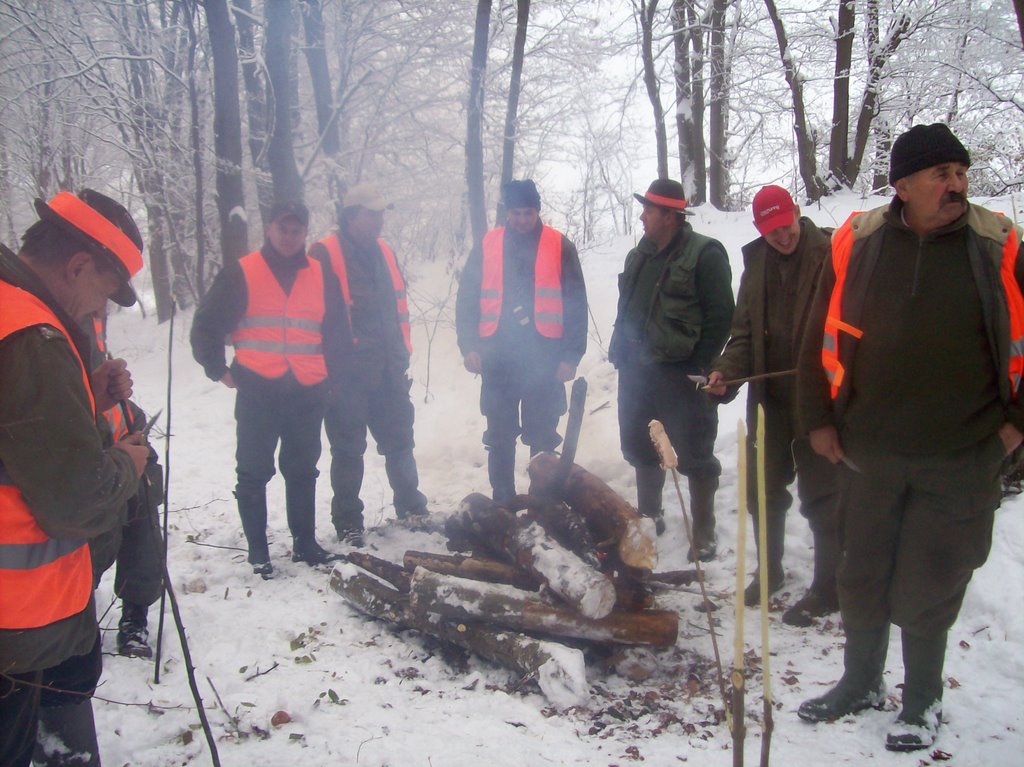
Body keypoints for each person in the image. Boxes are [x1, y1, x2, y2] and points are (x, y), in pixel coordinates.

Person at [795, 123, 1024, 751]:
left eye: (960, 173)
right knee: (861, 573)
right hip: (869, 448)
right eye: (940, 175)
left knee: (931, 579)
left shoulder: (998, 244)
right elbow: (819, 330)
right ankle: (860, 683)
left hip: (961, 453)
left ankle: (921, 702)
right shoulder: (859, 242)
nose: (955, 185)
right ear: (903, 186)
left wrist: (1013, 429)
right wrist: (817, 418)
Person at [0, 190, 149, 767]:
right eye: (104, 292)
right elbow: (74, 499)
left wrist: (84, 384)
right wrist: (128, 464)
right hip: (14, 626)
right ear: (78, 265)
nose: (98, 309)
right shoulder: (32, 338)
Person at [191, 200, 349, 577]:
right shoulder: (242, 273)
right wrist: (217, 369)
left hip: (307, 391)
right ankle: (259, 552)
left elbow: (338, 333)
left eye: (296, 230)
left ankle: (305, 544)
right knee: (253, 471)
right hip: (258, 390)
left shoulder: (320, 274)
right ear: (269, 229)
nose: (290, 237)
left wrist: (335, 380)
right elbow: (205, 325)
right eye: (283, 229)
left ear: (305, 232)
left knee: (302, 469)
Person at [706, 186, 839, 626]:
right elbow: (742, 332)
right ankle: (771, 570)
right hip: (771, 401)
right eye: (770, 231)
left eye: (785, 227)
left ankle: (827, 586)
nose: (781, 237)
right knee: (762, 490)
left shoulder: (835, 253)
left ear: (798, 214)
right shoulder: (757, 263)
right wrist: (726, 370)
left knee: (824, 493)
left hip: (821, 398)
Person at [609, 179, 734, 561]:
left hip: (679, 372)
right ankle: (651, 515)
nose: (643, 216)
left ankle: (705, 531)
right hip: (636, 371)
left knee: (695, 452)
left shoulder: (705, 254)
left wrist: (700, 363)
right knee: (639, 445)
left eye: (649, 210)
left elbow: (721, 316)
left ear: (669, 216)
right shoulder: (639, 255)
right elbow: (627, 309)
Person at [308, 185, 428, 546]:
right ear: (351, 215)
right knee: (348, 450)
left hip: (390, 370)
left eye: (381, 214)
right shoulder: (323, 253)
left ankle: (412, 508)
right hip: (346, 376)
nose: (379, 220)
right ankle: (348, 522)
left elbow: (396, 311)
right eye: (371, 214)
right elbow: (311, 315)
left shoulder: (385, 251)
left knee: (400, 443)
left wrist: (401, 357)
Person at [455, 179, 588, 501]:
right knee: (499, 436)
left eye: (527, 213)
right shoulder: (488, 245)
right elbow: (467, 298)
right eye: (515, 213)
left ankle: (543, 500)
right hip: (496, 357)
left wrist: (571, 356)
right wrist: (468, 345)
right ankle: (503, 500)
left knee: (542, 435)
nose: (521, 220)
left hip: (544, 358)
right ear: (507, 213)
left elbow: (576, 304)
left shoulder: (560, 245)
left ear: (537, 211)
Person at [84, 307, 164, 659]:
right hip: (93, 464)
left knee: (143, 539)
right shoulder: (51, 323)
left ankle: (135, 618)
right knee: (91, 550)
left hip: (127, 449)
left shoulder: (91, 321)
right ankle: (77, 618)